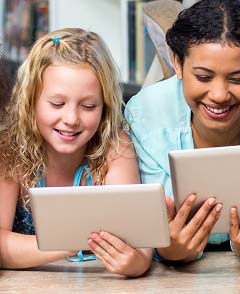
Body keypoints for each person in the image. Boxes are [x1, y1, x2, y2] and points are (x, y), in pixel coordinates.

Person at [124, 0, 240, 263]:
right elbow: (151, 224)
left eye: (237, 79)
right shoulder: (145, 112)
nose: (219, 95)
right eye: (202, 77)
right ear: (177, 63)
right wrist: (167, 249)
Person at [0, 28, 149, 277]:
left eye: (89, 106)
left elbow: (141, 248)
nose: (71, 119)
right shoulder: (9, 151)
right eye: (57, 104)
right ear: (30, 101)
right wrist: (70, 240)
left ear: (105, 106)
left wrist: (135, 263)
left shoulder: (115, 147)